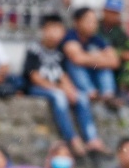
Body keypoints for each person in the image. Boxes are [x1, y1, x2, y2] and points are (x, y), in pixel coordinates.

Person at [24, 14, 102, 155]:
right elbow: (35, 77)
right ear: (44, 30)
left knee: (82, 97)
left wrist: (70, 90)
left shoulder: (60, 51)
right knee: (59, 97)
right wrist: (59, 89)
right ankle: (72, 139)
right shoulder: (34, 48)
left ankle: (92, 138)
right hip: (37, 88)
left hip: (57, 87)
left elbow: (63, 74)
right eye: (51, 29)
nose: (55, 34)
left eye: (58, 30)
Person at [60, 7, 121, 106]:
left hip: (92, 73)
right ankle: (90, 93)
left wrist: (88, 58)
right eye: (89, 21)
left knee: (105, 68)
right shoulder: (70, 36)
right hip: (73, 79)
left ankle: (108, 95)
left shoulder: (97, 39)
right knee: (74, 65)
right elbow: (77, 59)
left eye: (95, 22)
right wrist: (98, 56)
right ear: (77, 22)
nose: (93, 25)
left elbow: (115, 61)